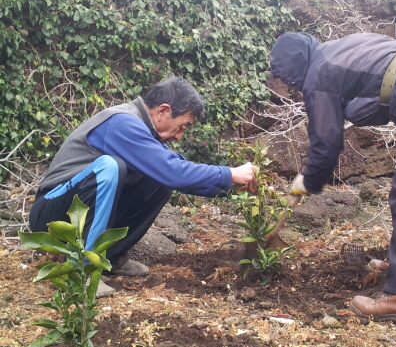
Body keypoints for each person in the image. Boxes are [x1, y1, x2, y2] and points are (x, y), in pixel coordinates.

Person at [270, 32, 396, 324]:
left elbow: (327, 141)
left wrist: (308, 180)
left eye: (292, 82)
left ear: (295, 68)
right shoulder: (338, 51)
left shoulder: (319, 73)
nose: (296, 88)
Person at [29, 76, 257, 297]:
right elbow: (173, 172)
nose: (179, 136)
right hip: (50, 215)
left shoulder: (147, 135)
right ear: (163, 111)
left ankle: (110, 255)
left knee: (157, 178)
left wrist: (229, 185)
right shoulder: (122, 122)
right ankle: (82, 272)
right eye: (182, 126)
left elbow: (176, 172)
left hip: (71, 210)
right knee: (110, 167)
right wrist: (228, 173)